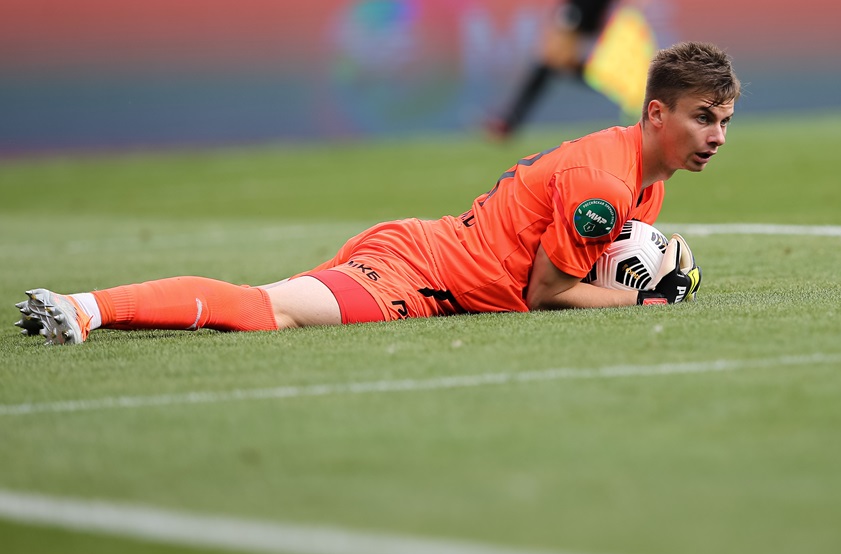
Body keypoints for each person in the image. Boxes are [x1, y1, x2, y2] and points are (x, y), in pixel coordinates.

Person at [15, 41, 740, 345]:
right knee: (267, 310)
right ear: (656, 113)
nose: (716, 135)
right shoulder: (605, 185)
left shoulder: (640, 182)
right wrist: (646, 300)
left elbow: (581, 267)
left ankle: (86, 308)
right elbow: (546, 293)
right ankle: (83, 307)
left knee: (272, 309)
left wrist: (647, 274)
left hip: (435, 265)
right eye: (702, 117)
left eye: (725, 121)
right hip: (418, 273)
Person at [485, 0, 618, 139]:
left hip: (582, 11)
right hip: (579, 12)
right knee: (552, 62)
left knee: (554, 61)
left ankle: (511, 118)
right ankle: (510, 118)